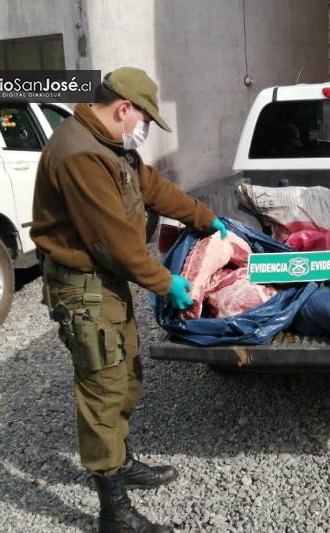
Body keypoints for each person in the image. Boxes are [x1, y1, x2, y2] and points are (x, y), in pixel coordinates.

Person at [31, 67, 227, 532]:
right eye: (143, 119)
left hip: (107, 282)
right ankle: (113, 513)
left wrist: (204, 218)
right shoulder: (79, 152)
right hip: (85, 285)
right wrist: (165, 283)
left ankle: (122, 462)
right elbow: (112, 242)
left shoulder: (109, 143)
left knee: (126, 375)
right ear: (124, 108)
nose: (142, 130)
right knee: (103, 388)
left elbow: (152, 187)